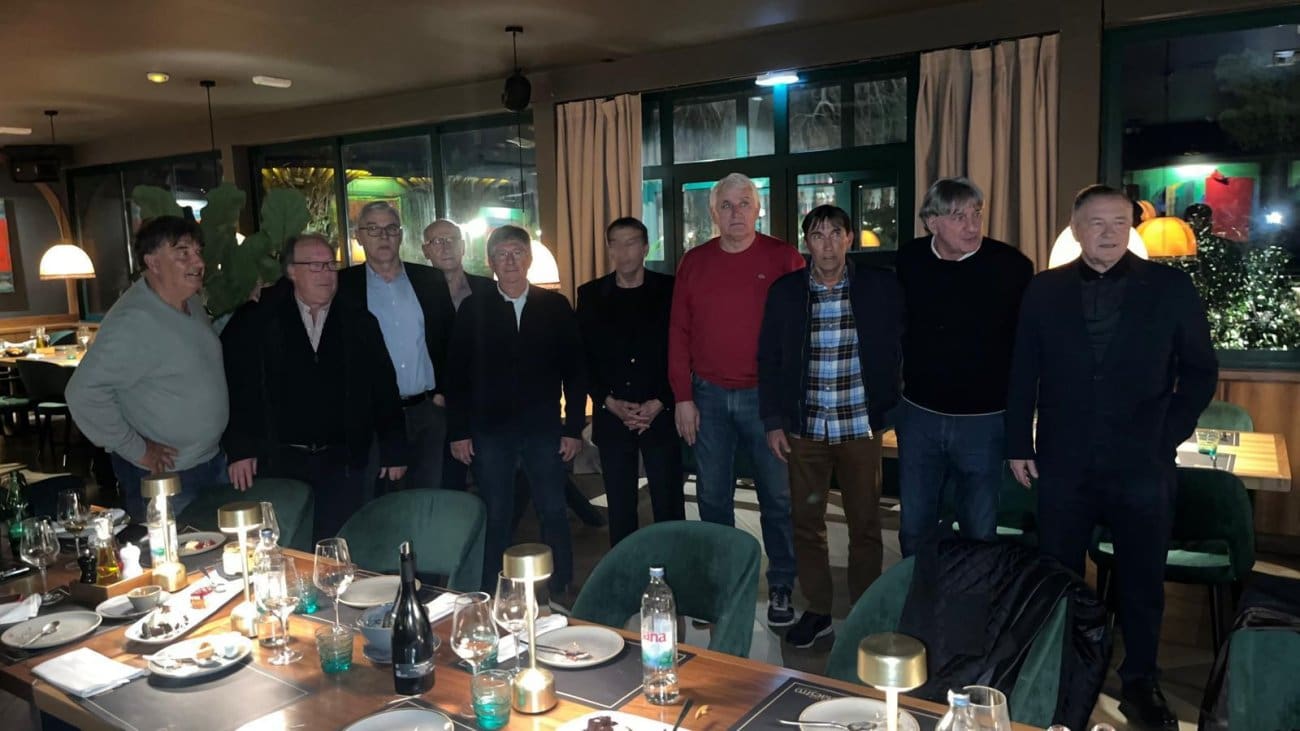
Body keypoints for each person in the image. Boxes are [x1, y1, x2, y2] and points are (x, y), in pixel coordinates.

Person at [1006, 184, 1217, 731]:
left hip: (1143, 462)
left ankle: (1140, 681)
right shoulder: (1043, 290)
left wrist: (1167, 434)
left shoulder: (1170, 288)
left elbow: (1200, 372)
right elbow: (1023, 370)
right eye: (1096, 223)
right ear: (1076, 230)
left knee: (1142, 580)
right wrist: (1017, 443)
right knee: (1058, 573)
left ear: (1131, 229)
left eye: (1119, 222)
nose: (1108, 233)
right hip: (1064, 459)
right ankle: (1061, 672)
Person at [757, 205, 904, 647]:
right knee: (806, 524)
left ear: (850, 239)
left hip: (859, 425)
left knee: (865, 525)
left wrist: (894, 405)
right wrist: (773, 420)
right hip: (806, 428)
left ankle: (863, 613)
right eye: (818, 235)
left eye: (835, 234)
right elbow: (768, 358)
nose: (827, 244)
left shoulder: (879, 286)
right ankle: (818, 609)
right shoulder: (787, 292)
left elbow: (903, 344)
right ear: (807, 243)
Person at [668, 172, 805, 626]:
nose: (735, 213)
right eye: (725, 205)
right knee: (711, 498)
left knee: (778, 499)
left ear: (758, 209)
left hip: (767, 399)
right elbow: (678, 332)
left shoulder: (784, 258)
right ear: (713, 212)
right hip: (707, 396)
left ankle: (781, 584)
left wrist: (789, 403)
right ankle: (720, 584)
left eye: (744, 203)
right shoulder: (695, 262)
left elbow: (801, 333)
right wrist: (683, 397)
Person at [222, 233, 408, 541]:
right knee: (285, 544)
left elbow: (384, 387)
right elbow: (238, 385)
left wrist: (394, 449)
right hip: (279, 460)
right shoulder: (259, 318)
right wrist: (240, 448)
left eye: (330, 265)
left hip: (344, 461)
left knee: (339, 544)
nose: (326, 273)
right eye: (315, 265)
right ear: (291, 271)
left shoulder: (358, 320)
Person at [893, 177, 1033, 557]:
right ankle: (919, 591)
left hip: (984, 421)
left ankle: (973, 594)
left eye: (976, 214)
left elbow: (1027, 348)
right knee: (915, 527)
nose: (972, 226)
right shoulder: (909, 260)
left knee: (979, 528)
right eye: (959, 217)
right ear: (932, 222)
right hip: (920, 416)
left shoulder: (1012, 267)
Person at [444, 225, 586, 597]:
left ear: (529, 258)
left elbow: (575, 372)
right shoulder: (474, 308)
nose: (510, 261)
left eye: (517, 252)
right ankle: (492, 588)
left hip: (543, 429)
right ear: (491, 262)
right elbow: (456, 376)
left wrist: (573, 428)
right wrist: (459, 432)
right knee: (496, 513)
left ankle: (560, 585)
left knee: (552, 509)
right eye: (502, 254)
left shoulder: (555, 306)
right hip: (489, 431)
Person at [66, 216, 227, 521]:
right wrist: (137, 449)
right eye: (183, 252)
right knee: (177, 551)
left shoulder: (189, 302)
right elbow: (82, 393)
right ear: (153, 262)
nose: (198, 261)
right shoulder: (133, 321)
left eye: (197, 251)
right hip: (168, 477)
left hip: (209, 463)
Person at [577, 217, 683, 546]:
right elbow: (583, 358)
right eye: (616, 244)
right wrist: (607, 401)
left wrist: (661, 401)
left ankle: (675, 567)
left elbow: (684, 351)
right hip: (613, 412)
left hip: (661, 412)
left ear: (645, 247)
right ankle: (623, 570)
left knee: (668, 504)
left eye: (631, 243)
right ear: (609, 249)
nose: (623, 252)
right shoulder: (591, 295)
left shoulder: (671, 290)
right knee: (620, 507)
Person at [336, 202, 454, 495]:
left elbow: (450, 340)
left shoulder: (430, 280)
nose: (383, 236)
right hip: (372, 416)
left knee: (427, 500)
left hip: (427, 411)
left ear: (400, 235)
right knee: (376, 503)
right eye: (373, 229)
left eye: (390, 228)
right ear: (358, 236)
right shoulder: (342, 285)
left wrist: (442, 393)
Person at [422, 219, 495, 491]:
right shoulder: (416, 293)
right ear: (425, 251)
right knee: (446, 484)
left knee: (496, 482)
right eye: (437, 241)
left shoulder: (488, 289)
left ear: (463, 246)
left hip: (484, 401)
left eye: (451, 239)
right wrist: (438, 391)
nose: (446, 246)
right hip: (437, 405)